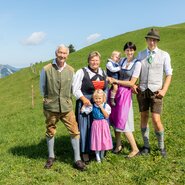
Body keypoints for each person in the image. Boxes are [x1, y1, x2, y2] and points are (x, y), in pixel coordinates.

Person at [40, 44, 86, 171]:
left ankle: (77, 159)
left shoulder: (71, 70)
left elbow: (73, 88)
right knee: (50, 130)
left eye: (65, 53)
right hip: (51, 106)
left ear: (68, 55)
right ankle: (51, 156)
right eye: (60, 53)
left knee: (74, 131)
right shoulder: (46, 69)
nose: (62, 55)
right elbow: (42, 87)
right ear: (56, 53)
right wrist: (47, 99)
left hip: (66, 107)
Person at [136, 28, 172, 157]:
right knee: (144, 116)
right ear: (146, 40)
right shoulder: (140, 55)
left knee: (156, 119)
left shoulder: (164, 55)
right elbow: (135, 72)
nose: (152, 42)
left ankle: (161, 147)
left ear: (157, 41)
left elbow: (169, 74)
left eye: (154, 40)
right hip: (142, 91)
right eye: (150, 39)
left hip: (156, 91)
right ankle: (146, 146)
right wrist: (133, 85)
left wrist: (164, 90)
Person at [73, 51, 107, 163]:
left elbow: (105, 88)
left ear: (99, 61)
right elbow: (75, 89)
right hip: (86, 104)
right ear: (88, 61)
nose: (94, 62)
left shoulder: (103, 72)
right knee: (85, 128)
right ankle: (85, 152)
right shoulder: (81, 72)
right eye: (92, 60)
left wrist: (104, 102)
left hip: (98, 106)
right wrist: (83, 99)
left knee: (97, 128)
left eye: (97, 60)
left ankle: (97, 148)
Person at [109, 42, 141, 158]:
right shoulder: (121, 60)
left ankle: (135, 148)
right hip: (116, 92)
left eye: (131, 50)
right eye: (127, 50)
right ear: (124, 51)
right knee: (116, 119)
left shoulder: (137, 64)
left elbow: (132, 82)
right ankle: (118, 145)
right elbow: (111, 67)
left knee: (124, 120)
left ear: (134, 51)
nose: (129, 52)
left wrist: (116, 81)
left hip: (125, 94)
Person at [89, 89, 112, 163]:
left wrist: (101, 107)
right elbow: (86, 111)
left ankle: (102, 155)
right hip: (96, 124)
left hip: (103, 124)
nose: (98, 100)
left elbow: (106, 116)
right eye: (96, 98)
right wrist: (83, 108)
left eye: (99, 98)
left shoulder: (106, 106)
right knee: (97, 140)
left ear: (103, 98)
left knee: (103, 140)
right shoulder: (93, 106)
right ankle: (97, 157)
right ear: (94, 98)